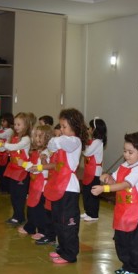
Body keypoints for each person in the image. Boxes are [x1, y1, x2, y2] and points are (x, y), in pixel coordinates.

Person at [91, 132, 138, 274]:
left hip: (137, 215)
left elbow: (126, 184)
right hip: (122, 211)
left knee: (135, 246)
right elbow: (115, 179)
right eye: (125, 151)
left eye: (131, 152)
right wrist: (107, 178)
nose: (126, 155)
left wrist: (105, 189)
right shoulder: (123, 166)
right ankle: (127, 266)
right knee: (121, 242)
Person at [44, 108, 88, 264]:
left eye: (64, 126)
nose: (61, 130)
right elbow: (50, 146)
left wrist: (55, 140)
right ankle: (62, 249)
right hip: (58, 186)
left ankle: (70, 254)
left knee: (67, 222)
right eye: (60, 126)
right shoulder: (65, 140)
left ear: (74, 126)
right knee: (58, 220)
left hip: (69, 188)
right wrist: (54, 142)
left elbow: (55, 142)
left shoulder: (75, 141)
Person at [17, 125, 53, 240]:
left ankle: (42, 231)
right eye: (36, 136)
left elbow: (37, 168)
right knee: (31, 207)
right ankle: (30, 227)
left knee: (39, 210)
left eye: (40, 136)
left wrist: (23, 164)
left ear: (47, 138)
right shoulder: (36, 151)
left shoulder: (46, 152)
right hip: (34, 184)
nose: (37, 139)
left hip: (42, 186)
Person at [0, 112, 32, 226]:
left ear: (26, 125)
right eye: (15, 124)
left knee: (20, 196)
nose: (16, 127)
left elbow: (15, 147)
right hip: (13, 169)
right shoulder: (14, 137)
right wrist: (0, 145)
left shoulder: (26, 139)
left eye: (19, 124)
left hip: (21, 171)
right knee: (13, 195)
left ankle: (20, 217)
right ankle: (16, 215)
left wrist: (4, 144)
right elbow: (5, 150)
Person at [81, 117, 107, 221]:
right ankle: (88, 212)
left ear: (94, 129)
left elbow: (87, 152)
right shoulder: (94, 141)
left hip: (95, 172)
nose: (88, 130)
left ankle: (94, 214)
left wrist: (81, 146)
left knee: (93, 193)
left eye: (90, 128)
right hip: (88, 170)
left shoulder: (98, 142)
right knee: (87, 192)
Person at [0, 112, 14, 193]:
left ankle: (5, 188)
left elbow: (1, 136)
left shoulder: (10, 131)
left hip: (5, 154)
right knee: (0, 172)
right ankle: (1, 186)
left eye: (4, 121)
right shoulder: (2, 129)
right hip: (0, 153)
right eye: (2, 121)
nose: (2, 123)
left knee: (4, 172)